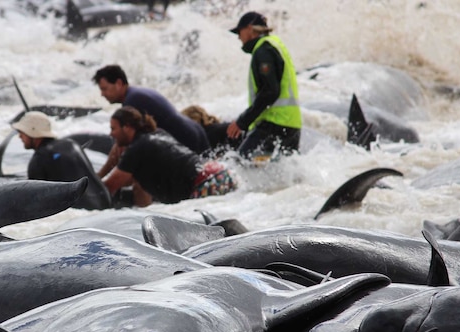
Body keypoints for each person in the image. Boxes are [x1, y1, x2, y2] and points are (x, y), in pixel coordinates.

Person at [102, 106, 237, 207]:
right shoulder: (158, 133)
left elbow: (108, 188)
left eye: (113, 129)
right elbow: (139, 187)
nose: (110, 134)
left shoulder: (136, 149)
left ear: (127, 127)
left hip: (205, 184)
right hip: (220, 174)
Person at [226, 11, 302, 161]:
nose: (238, 37)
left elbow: (270, 92)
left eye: (239, 32)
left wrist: (242, 122)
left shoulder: (263, 51)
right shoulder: (276, 44)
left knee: (237, 165)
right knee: (283, 176)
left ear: (249, 29)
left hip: (273, 125)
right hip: (292, 125)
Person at [92, 64, 210, 157]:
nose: (102, 94)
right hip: (197, 132)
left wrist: (101, 178)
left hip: (187, 140)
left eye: (104, 89)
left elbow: (126, 145)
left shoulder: (132, 101)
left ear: (118, 83)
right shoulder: (136, 93)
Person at [11, 111, 111, 210]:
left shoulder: (40, 158)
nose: (20, 136)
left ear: (32, 131)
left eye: (22, 132)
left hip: (80, 214)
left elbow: (36, 200)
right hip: (105, 204)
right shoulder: (71, 144)